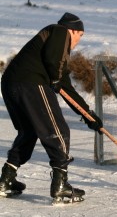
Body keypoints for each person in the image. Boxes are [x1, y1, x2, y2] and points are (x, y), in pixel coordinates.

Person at [0, 12, 103, 203]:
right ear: (72, 29)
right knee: (58, 131)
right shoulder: (59, 31)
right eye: (80, 35)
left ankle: (6, 178)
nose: (79, 41)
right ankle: (60, 185)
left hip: (10, 84)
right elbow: (54, 68)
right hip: (30, 83)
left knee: (28, 132)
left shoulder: (56, 54)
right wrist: (54, 79)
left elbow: (65, 86)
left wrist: (87, 114)